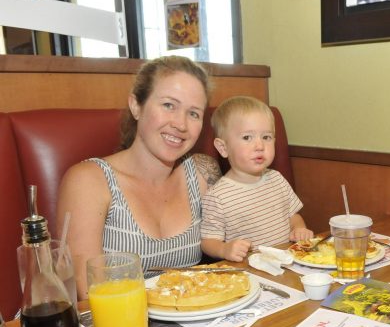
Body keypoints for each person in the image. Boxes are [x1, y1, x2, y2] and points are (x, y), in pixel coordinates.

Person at [57, 56, 221, 300]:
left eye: (194, 114)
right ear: (136, 105)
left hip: (194, 320)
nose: (180, 124)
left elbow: (238, 244)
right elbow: (86, 293)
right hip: (115, 326)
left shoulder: (202, 172)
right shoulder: (89, 180)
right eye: (168, 105)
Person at [201, 96, 312, 262]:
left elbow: (293, 216)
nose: (260, 146)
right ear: (223, 148)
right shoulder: (218, 196)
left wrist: (299, 228)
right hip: (249, 273)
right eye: (247, 137)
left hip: (286, 263)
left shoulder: (277, 179)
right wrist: (224, 249)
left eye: (266, 137)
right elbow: (208, 242)